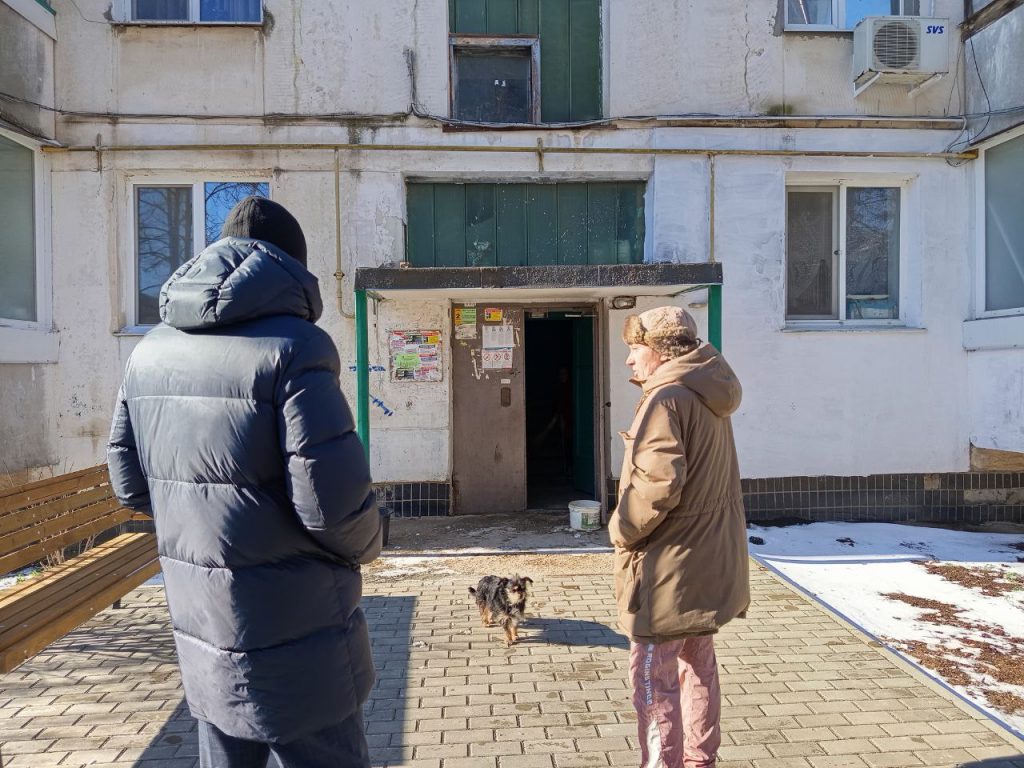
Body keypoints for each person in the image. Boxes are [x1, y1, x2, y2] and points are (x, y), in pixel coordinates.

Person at [107, 197, 381, 768]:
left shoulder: (149, 352)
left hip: (205, 627)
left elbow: (130, 484)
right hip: (299, 629)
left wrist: (205, 524)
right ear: (291, 266)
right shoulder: (297, 348)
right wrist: (373, 539)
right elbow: (333, 508)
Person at [609, 306, 749, 768]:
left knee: (652, 680)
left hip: (668, 569)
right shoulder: (707, 391)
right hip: (706, 563)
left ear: (661, 350)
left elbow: (657, 485)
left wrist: (620, 529)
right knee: (698, 666)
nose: (630, 359)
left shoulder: (667, 398)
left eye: (635, 348)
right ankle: (700, 761)